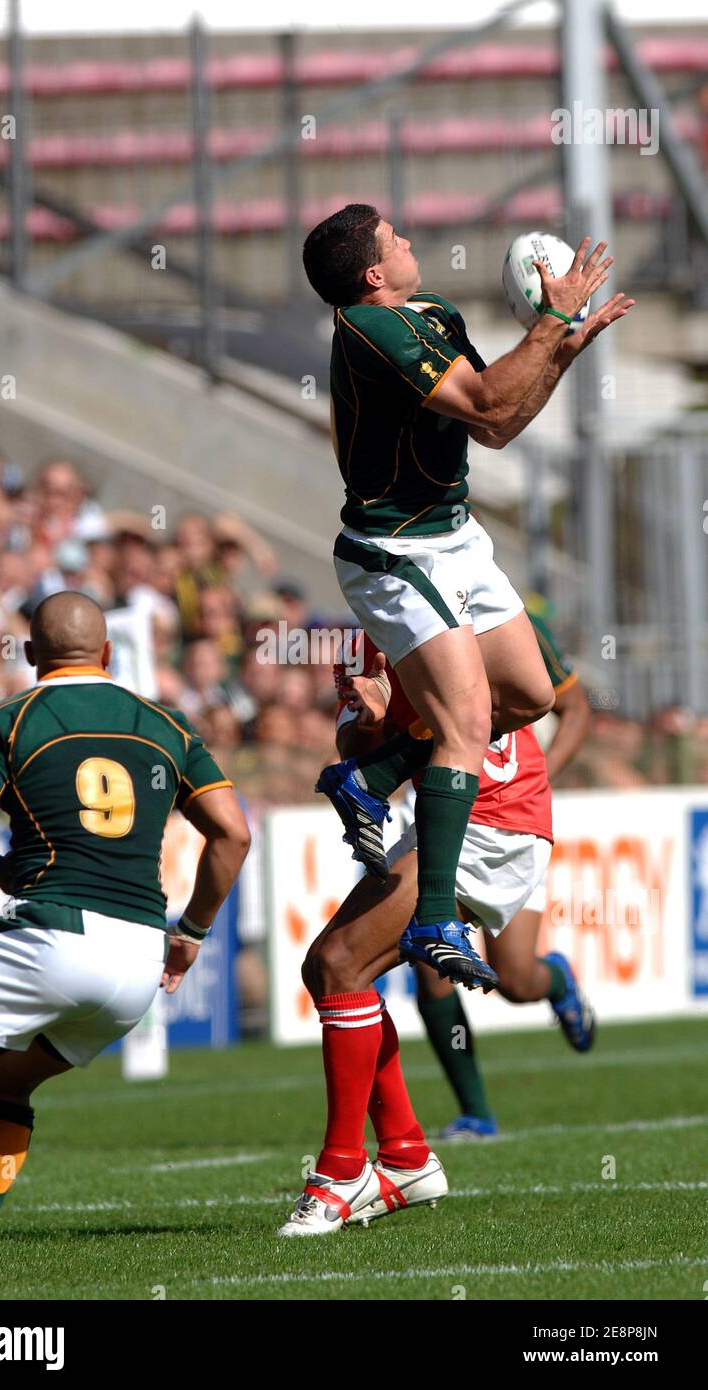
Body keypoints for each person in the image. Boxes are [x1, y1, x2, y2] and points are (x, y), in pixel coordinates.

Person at [303, 204, 632, 991]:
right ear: (372, 275)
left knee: (528, 697)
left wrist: (560, 350)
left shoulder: (433, 314)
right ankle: (435, 915)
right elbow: (486, 401)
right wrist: (549, 320)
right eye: (395, 238)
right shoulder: (365, 330)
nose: (410, 239)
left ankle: (371, 780)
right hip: (394, 551)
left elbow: (496, 425)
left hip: (455, 539)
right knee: (469, 721)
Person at [0, 591, 249, 1287]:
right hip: (138, 962)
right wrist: (191, 932)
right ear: (106, 654)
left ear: (31, 655)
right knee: (10, 1079)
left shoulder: (10, 718)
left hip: (55, 933)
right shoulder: (166, 724)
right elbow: (233, 833)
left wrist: (10, 872)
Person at [278, 619, 592, 1234]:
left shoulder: (482, 605)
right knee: (328, 967)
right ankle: (405, 1154)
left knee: (345, 963)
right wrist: (370, 721)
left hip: (494, 820)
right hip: (459, 821)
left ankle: (345, 1170)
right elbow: (359, 757)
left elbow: (542, 702)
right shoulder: (369, 631)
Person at [340, 618, 593, 1143]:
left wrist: (547, 779)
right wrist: (370, 722)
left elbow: (572, 708)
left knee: (516, 979)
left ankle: (557, 982)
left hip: (511, 815)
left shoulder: (498, 612)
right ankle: (474, 1112)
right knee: (425, 961)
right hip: (438, 812)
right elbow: (356, 753)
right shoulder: (363, 641)